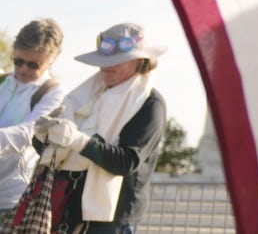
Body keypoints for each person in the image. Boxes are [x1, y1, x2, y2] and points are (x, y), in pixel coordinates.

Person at [36, 23, 168, 234]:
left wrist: (78, 140)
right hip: (65, 209)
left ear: (139, 62)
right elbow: (54, 151)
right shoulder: (83, 97)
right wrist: (42, 136)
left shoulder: (150, 104)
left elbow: (126, 162)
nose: (107, 66)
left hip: (111, 221)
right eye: (104, 60)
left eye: (117, 61)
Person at [1, 19, 67, 217]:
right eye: (18, 61)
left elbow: (29, 131)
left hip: (11, 198)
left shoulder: (54, 92)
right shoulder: (3, 81)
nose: (23, 69)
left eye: (33, 65)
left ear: (51, 60)